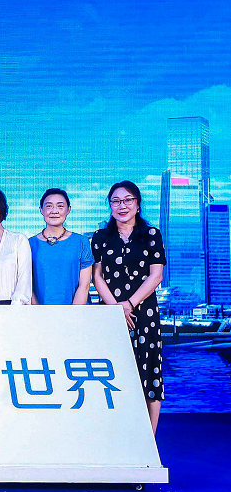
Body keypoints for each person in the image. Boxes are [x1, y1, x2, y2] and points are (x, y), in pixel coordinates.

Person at [91, 181, 165, 433]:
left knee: (149, 373)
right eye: (116, 201)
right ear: (110, 205)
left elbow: (156, 275)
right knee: (113, 373)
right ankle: (116, 436)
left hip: (143, 313)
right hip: (110, 314)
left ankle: (149, 441)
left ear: (138, 204)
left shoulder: (151, 234)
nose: (122, 206)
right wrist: (116, 308)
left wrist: (130, 304)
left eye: (128, 200)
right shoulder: (100, 237)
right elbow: (97, 276)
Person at [29, 188, 94, 305]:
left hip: (76, 311)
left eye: (60, 206)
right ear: (41, 210)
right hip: (39, 312)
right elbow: (27, 285)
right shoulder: (29, 244)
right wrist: (38, 312)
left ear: (68, 209)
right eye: (49, 206)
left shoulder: (81, 242)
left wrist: (73, 313)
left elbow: (84, 285)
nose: (54, 211)